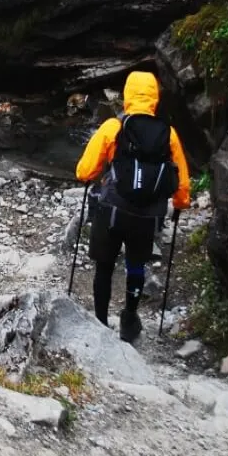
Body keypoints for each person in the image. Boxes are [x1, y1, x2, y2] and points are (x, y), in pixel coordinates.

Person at [75, 71, 191, 342]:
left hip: (113, 211)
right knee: (136, 266)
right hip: (148, 216)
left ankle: (101, 322)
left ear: (127, 95)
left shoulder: (113, 127)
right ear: (154, 97)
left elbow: (85, 170)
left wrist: (91, 176)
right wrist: (181, 204)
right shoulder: (168, 134)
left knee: (104, 266)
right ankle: (129, 318)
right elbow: (182, 182)